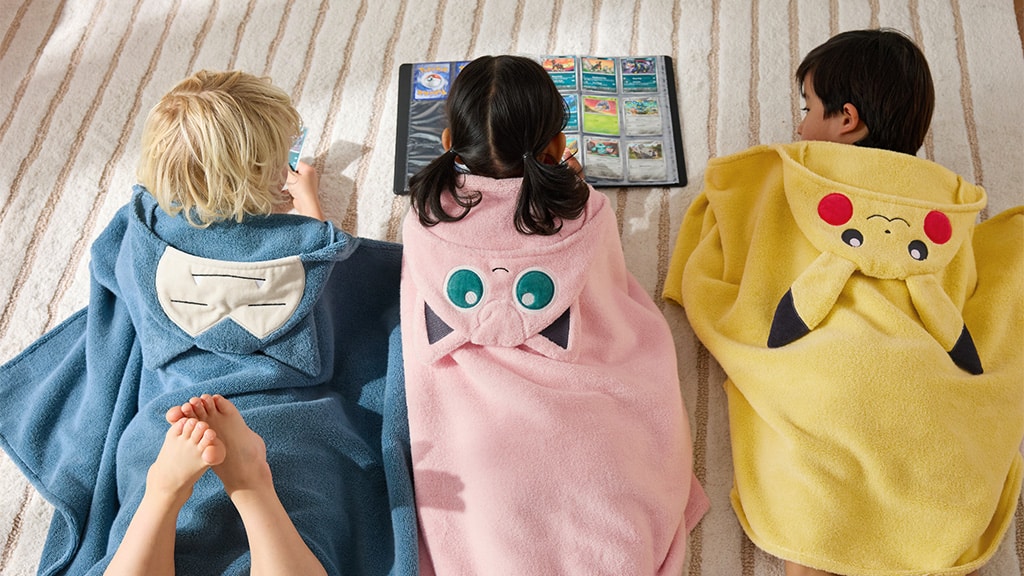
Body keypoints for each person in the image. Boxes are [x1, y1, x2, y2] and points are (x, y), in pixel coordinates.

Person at [0, 69, 417, 576]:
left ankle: (164, 494)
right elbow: (343, 280)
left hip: (174, 423)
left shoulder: (139, 236)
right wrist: (311, 214)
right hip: (275, 423)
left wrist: (306, 227)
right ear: (266, 176)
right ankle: (244, 485)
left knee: (162, 514)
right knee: (299, 507)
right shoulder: (310, 250)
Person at [665, 28, 1022, 576]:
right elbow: (966, 284)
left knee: (812, 502)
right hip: (927, 393)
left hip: (824, 382)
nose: (800, 126)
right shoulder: (944, 202)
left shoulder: (788, 176)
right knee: (939, 479)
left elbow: (732, 219)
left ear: (847, 119)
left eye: (807, 108)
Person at [401, 55, 708, 574]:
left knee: (488, 513)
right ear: (557, 147)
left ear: (448, 139)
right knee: (605, 485)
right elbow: (608, 293)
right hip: (582, 422)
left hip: (478, 440)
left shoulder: (426, 215)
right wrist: (571, 188)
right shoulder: (582, 210)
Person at [794, 28, 934, 155]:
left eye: (808, 109)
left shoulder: (795, 171)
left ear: (847, 119)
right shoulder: (935, 176)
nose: (799, 129)